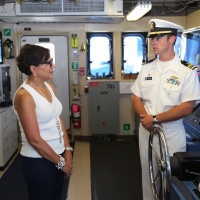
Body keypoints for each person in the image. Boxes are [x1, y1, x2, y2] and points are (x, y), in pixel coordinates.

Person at [131, 19, 200, 200]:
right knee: (148, 176)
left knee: (172, 182)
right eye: (152, 38)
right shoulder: (146, 68)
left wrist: (154, 118)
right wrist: (145, 118)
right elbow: (135, 97)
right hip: (147, 130)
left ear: (172, 40)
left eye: (158, 38)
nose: (153, 42)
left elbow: (187, 107)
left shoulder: (187, 72)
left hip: (170, 133)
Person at [13, 44, 73, 200]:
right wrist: (61, 163)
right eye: (48, 62)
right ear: (33, 69)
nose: (53, 66)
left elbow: (58, 119)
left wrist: (67, 151)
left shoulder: (50, 87)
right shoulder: (24, 96)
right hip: (38, 161)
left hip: (58, 155)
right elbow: (34, 140)